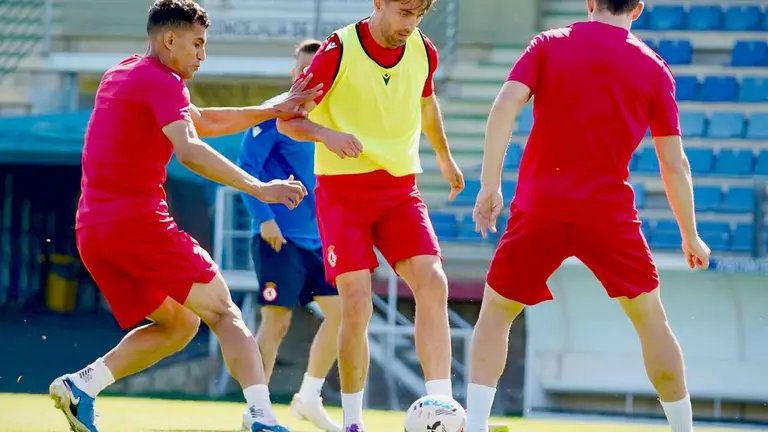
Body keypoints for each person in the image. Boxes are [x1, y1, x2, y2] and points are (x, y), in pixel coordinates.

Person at [47, 1, 321, 431]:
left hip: (94, 231)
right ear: (169, 38)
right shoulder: (162, 80)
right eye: (197, 44)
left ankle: (82, 386)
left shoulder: (123, 71)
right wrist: (260, 187)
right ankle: (261, 419)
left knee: (180, 324)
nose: (202, 55)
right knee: (225, 313)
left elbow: (203, 121)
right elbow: (190, 149)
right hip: (137, 225)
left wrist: (274, 109)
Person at [465, 1, 712, 431]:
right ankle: (683, 429)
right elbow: (675, 164)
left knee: (497, 311)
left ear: (590, 3)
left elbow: (504, 107)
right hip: (608, 215)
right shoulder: (653, 67)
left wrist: (490, 184)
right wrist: (690, 234)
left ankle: (478, 423)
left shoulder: (549, 44)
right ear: (637, 9)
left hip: (541, 206)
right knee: (651, 320)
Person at [277, 1, 466, 430]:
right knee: (358, 305)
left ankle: (444, 410)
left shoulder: (425, 50)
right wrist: (327, 134)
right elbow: (288, 120)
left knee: (434, 283)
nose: (410, 24)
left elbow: (426, 103)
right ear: (379, 2)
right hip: (343, 194)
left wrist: (443, 155)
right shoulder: (336, 50)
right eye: (403, 12)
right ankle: (354, 422)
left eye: (418, 15)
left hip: (400, 190)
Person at [237, 40, 342, 432]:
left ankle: (308, 398)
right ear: (292, 71)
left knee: (344, 315)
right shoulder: (275, 111)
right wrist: (264, 218)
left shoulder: (332, 115)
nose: (306, 76)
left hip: (320, 241)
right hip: (278, 239)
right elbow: (247, 165)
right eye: (301, 69)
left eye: (314, 70)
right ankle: (256, 409)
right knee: (276, 321)